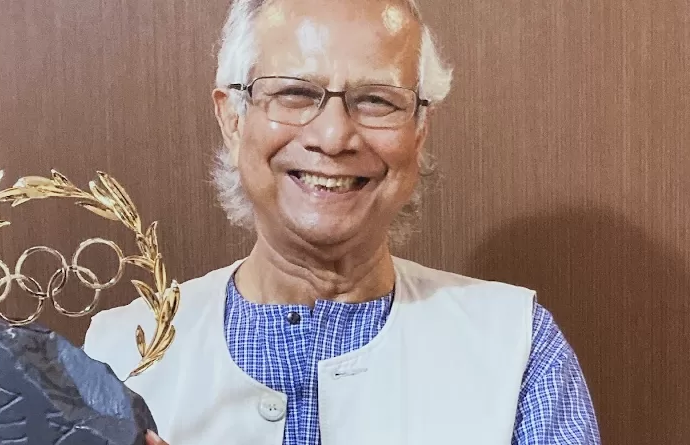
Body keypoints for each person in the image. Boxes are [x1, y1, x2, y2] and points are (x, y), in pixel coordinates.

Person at [83, 0, 601, 443]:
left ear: (420, 131)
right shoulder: (117, 354)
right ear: (232, 118)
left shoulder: (518, 349)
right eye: (294, 92)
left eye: (376, 100)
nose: (333, 136)